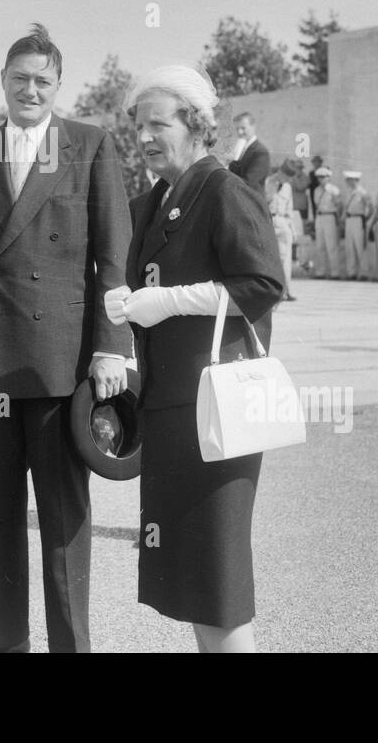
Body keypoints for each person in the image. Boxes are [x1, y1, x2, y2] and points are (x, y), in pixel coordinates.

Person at [0, 23, 132, 653]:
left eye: (43, 79)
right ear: (2, 82)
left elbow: (114, 261)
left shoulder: (92, 145)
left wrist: (110, 346)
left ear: (58, 86)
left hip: (60, 364)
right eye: (20, 77)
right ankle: (5, 645)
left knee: (64, 521)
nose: (31, 89)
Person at [104, 65, 284, 653]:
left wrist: (170, 301)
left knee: (219, 578)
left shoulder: (225, 190)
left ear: (198, 124)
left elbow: (261, 282)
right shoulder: (152, 201)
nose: (147, 137)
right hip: (172, 409)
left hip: (219, 411)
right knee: (194, 581)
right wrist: (126, 304)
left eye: (160, 124)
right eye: (140, 127)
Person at [264, 161, 297, 301]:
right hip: (269, 221)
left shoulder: (288, 187)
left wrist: (293, 229)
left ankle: (286, 291)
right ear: (280, 172)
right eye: (287, 176)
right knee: (269, 259)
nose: (288, 180)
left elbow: (290, 209)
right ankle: (273, 291)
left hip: (283, 223)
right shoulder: (267, 182)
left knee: (285, 260)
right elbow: (263, 201)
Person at [310, 165, 342, 279]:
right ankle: (321, 271)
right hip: (320, 217)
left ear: (328, 177)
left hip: (330, 217)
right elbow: (316, 205)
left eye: (323, 177)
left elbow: (339, 206)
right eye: (319, 177)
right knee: (320, 246)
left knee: (331, 245)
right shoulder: (316, 190)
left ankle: (335, 272)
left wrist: (338, 220)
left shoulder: (334, 190)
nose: (321, 179)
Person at [228, 112, 270, 192]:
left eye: (243, 128)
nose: (240, 132)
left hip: (252, 200)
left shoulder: (261, 152)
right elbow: (233, 172)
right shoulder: (240, 149)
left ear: (253, 126)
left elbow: (249, 182)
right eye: (237, 129)